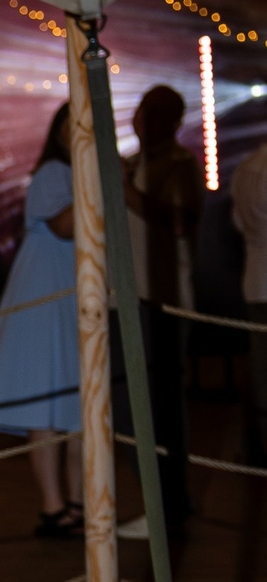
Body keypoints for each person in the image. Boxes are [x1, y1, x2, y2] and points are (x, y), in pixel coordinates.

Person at [0, 106, 81, 534]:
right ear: (58, 133)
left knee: (76, 405)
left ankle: (79, 504)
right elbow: (64, 226)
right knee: (45, 401)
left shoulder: (77, 173)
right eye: (72, 126)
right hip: (45, 294)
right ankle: (54, 507)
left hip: (72, 293)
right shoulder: (54, 173)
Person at [122, 84, 202, 529]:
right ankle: (161, 500)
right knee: (132, 407)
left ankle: (168, 504)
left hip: (163, 301)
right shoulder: (132, 164)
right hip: (127, 296)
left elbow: (181, 222)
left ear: (174, 121)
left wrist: (129, 194)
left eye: (153, 111)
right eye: (141, 109)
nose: (142, 118)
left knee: (162, 407)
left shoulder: (181, 164)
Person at [232, 137, 267, 448]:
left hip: (254, 281)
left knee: (260, 370)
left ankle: (256, 446)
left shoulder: (245, 168)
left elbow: (238, 224)